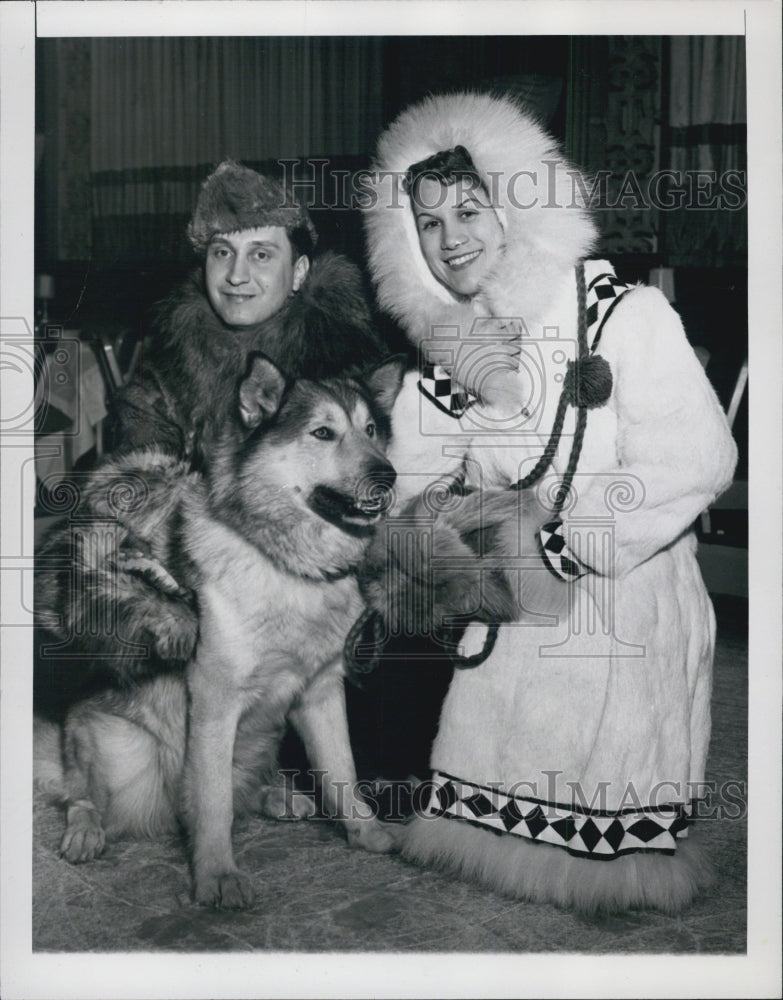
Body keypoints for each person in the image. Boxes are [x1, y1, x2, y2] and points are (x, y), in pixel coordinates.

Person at [362, 91, 738, 912]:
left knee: (601, 852)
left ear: (519, 206)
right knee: (482, 848)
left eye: (469, 208)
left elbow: (698, 459)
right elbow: (415, 493)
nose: (450, 236)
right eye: (427, 223)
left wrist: (568, 545)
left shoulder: (625, 317)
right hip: (514, 615)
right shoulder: (453, 352)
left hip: (621, 596)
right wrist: (454, 404)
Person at [108, 158, 389, 467]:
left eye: (260, 254)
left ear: (299, 273)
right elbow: (138, 478)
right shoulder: (171, 365)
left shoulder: (350, 359)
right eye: (223, 252)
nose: (236, 275)